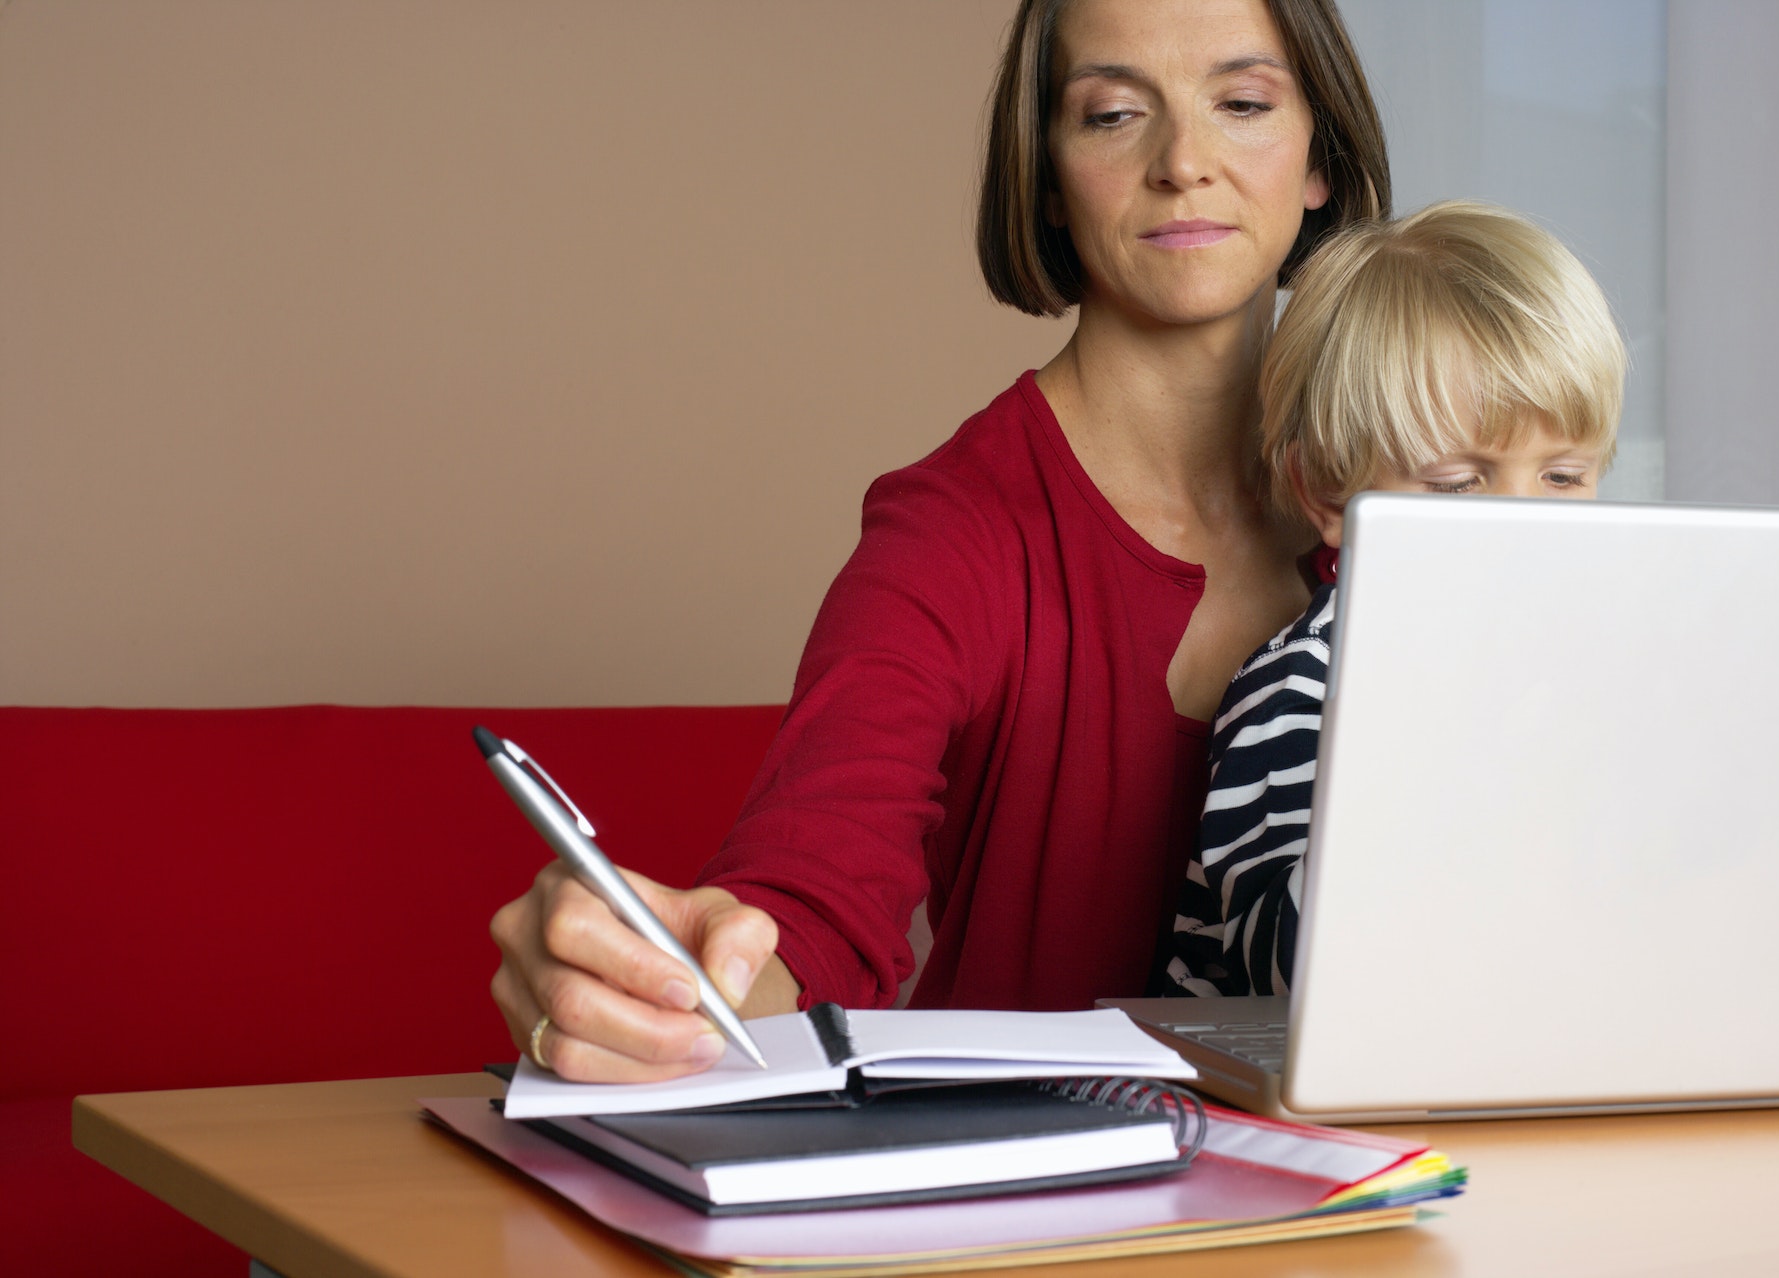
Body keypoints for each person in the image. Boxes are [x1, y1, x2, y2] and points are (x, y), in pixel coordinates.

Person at [490, 0, 1391, 1082]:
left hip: (1372, 1192)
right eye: (1112, 115)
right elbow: (810, 908)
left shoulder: (1416, 512)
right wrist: (674, 976)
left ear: (1318, 162)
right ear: (1049, 178)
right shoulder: (948, 537)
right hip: (1039, 1213)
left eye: (1242, 104)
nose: (1183, 162)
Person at [1159, 200, 1627, 998]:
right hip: (1280, 1110)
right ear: (1330, 495)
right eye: (1458, 484)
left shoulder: (1585, 672)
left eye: (1562, 477)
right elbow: (1288, 973)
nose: (1526, 523)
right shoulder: (1301, 685)